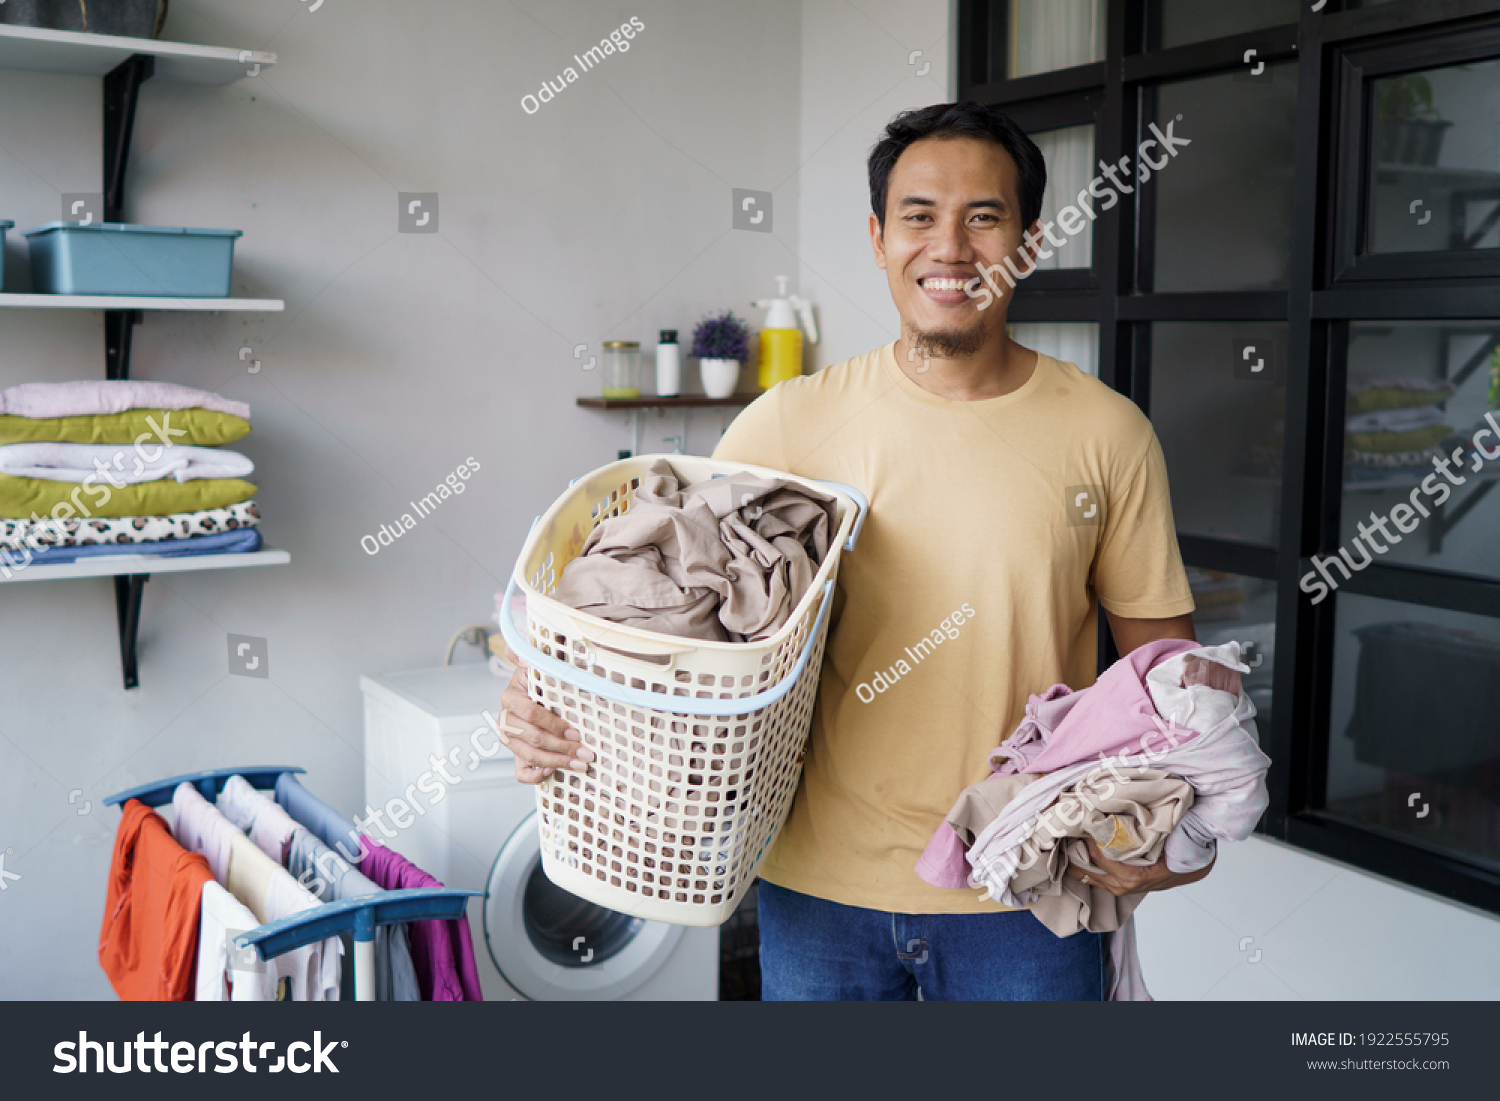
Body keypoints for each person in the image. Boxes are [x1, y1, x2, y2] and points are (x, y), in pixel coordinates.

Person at [501, 101, 1209, 1001]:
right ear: (878, 239)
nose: (949, 248)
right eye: (918, 215)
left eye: (983, 217)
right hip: (817, 897)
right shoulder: (786, 424)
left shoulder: (1108, 434)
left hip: (1025, 894)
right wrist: (541, 695)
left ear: (1029, 244)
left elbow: (1167, 681)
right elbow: (664, 618)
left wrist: (1175, 837)